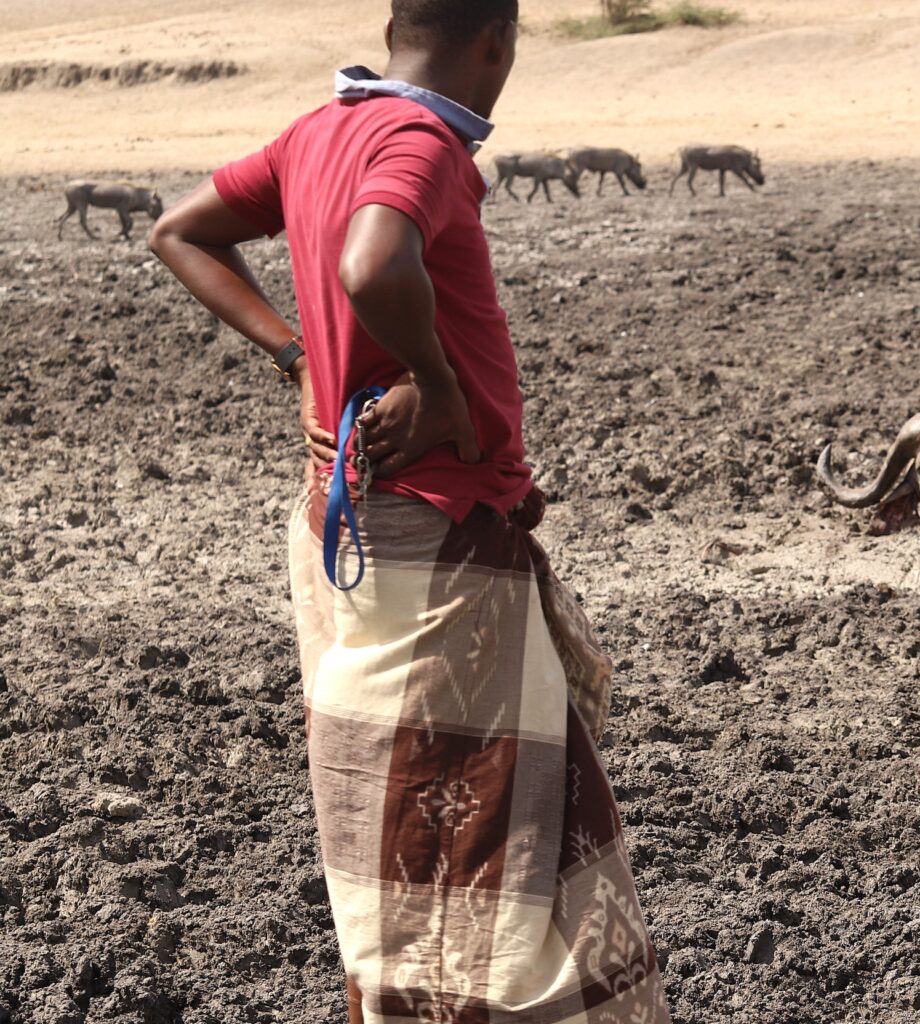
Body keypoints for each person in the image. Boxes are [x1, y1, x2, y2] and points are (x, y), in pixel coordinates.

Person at [148, 2, 670, 1020]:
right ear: (500, 43)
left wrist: (303, 355)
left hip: (362, 529)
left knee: (438, 832)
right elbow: (373, 262)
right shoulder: (420, 140)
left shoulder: (318, 130)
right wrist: (435, 383)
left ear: (391, 30)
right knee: (474, 856)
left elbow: (179, 229)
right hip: (435, 550)